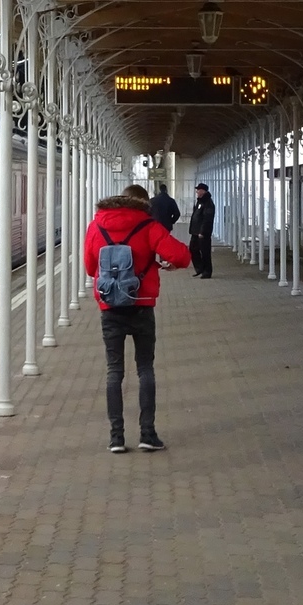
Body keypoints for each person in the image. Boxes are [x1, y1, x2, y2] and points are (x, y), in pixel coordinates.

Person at [84, 182, 192, 452]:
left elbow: (89, 267)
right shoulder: (148, 226)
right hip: (141, 305)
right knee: (145, 369)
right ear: (146, 205)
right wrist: (162, 262)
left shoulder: (96, 226)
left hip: (110, 307)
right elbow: (182, 256)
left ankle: (116, 438)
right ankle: (147, 434)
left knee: (114, 372)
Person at [187, 182, 215, 278]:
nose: (197, 192)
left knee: (205, 252)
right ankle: (200, 268)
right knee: (192, 249)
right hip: (195, 231)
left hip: (203, 233)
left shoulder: (208, 203)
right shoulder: (199, 201)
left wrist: (202, 231)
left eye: (198, 190)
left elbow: (207, 218)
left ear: (203, 191)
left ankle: (207, 271)